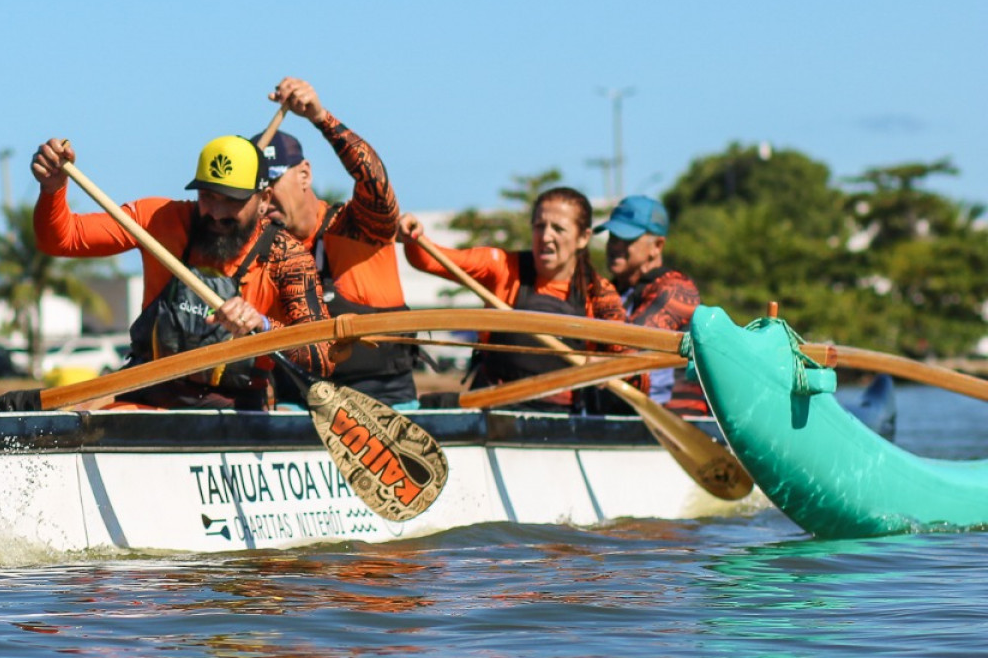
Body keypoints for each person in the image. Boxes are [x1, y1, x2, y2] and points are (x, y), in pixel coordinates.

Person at [30, 133, 330, 408]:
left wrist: (263, 326)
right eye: (208, 196)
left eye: (232, 201)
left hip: (236, 408)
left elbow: (322, 355)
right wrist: (53, 189)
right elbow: (60, 240)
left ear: (263, 200)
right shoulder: (157, 220)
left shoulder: (287, 256)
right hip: (150, 394)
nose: (216, 213)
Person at [258, 77, 415, 406]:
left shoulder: (359, 224)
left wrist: (320, 117)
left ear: (304, 174)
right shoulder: (255, 249)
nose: (265, 196)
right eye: (255, 187)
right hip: (298, 400)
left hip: (385, 402)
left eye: (272, 181)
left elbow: (375, 181)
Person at [400, 187, 626, 405]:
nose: (546, 236)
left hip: (560, 419)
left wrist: (606, 365)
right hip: (491, 410)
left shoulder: (600, 294)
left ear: (583, 238)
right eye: (539, 226)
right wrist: (414, 236)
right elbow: (429, 259)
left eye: (558, 228)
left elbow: (627, 362)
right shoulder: (502, 266)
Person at [596, 194, 704, 412]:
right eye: (612, 237)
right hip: (625, 420)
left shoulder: (677, 288)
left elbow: (632, 345)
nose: (614, 246)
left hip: (678, 422)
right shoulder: (609, 291)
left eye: (626, 239)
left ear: (657, 246)